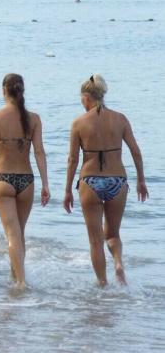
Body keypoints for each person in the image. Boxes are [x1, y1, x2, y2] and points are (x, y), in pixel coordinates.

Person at [63, 74, 148, 286]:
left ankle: (102, 285)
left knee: (95, 240)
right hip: (118, 181)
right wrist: (141, 181)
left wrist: (67, 191)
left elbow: (73, 160)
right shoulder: (120, 119)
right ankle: (118, 263)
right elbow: (136, 152)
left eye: (82, 98)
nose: (81, 102)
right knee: (113, 234)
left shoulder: (78, 123)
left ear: (87, 97)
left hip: (90, 182)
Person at [0, 74, 50, 288]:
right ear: (22, 91)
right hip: (26, 180)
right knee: (18, 233)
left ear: (3, 90)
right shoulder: (34, 118)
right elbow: (40, 153)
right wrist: (45, 184)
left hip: (2, 179)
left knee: (12, 234)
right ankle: (15, 277)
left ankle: (21, 282)